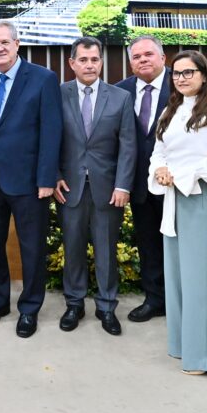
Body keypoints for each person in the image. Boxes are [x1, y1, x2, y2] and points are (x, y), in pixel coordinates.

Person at [116, 35, 207, 323]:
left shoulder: (182, 89)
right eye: (136, 56)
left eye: (149, 54)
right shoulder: (120, 91)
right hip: (142, 181)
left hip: (187, 188)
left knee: (185, 246)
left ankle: (187, 303)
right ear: (130, 63)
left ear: (163, 59)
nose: (143, 60)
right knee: (148, 243)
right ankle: (155, 300)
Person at [148, 50, 207, 375]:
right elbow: (159, 151)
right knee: (177, 278)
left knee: (201, 280)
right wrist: (159, 170)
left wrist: (182, 175)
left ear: (204, 74)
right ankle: (182, 345)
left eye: (189, 72)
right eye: (177, 73)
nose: (182, 78)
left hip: (202, 201)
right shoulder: (170, 112)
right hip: (173, 200)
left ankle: (203, 356)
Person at [0, 20, 62, 338]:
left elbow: (52, 132)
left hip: (29, 181)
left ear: (17, 43)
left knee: (31, 247)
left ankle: (29, 308)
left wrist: (47, 178)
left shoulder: (43, 79)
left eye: (3, 43)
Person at [54, 37, 137, 336]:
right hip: (69, 187)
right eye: (83, 60)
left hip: (107, 188)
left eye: (95, 60)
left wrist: (123, 185)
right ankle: (74, 304)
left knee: (106, 251)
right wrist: (53, 175)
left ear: (101, 62)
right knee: (73, 248)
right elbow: (47, 139)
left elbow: (128, 145)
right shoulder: (57, 93)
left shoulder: (119, 97)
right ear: (72, 63)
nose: (90, 65)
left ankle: (106, 307)